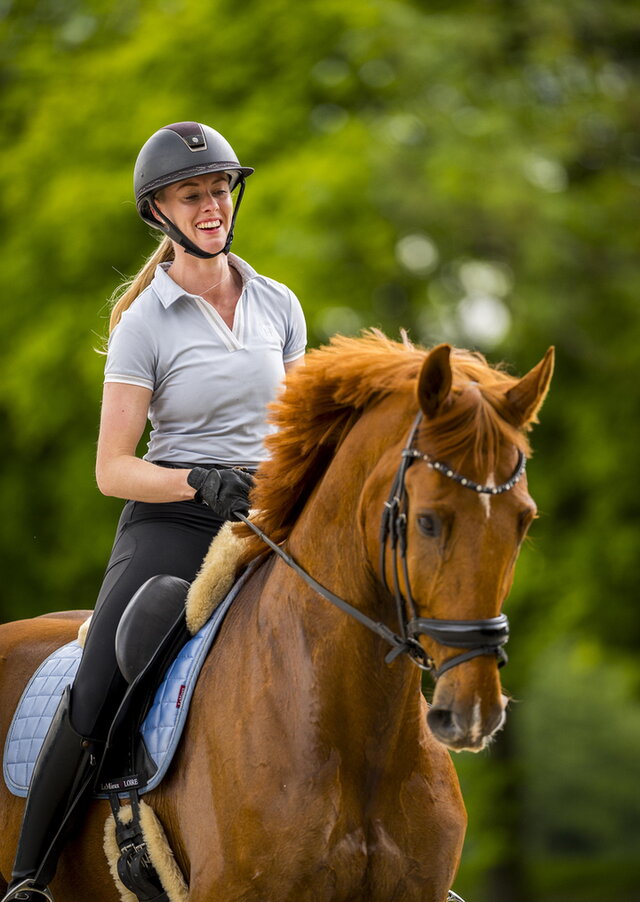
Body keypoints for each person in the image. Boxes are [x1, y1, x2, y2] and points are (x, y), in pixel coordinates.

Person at [3, 121, 307, 902]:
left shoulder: (278, 303)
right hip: (174, 525)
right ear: (160, 213)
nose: (212, 206)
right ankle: (30, 875)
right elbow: (112, 470)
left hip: (268, 521)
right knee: (100, 682)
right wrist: (200, 481)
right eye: (191, 195)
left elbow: (302, 432)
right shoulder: (147, 322)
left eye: (219, 190)